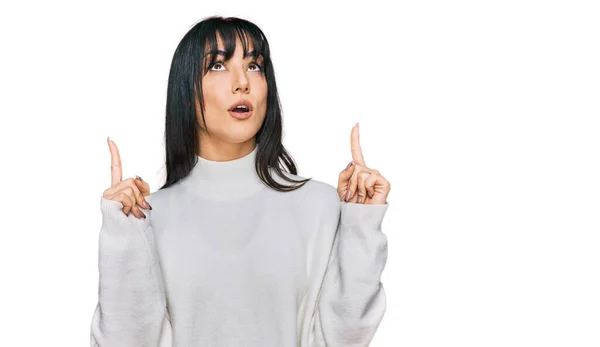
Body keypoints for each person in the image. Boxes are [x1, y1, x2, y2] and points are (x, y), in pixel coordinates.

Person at [90, 15, 391, 347]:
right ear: (185, 90)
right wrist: (123, 234)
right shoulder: (148, 216)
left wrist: (360, 223)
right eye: (218, 66)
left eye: (255, 66)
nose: (242, 82)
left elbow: (345, 337)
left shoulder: (318, 204)